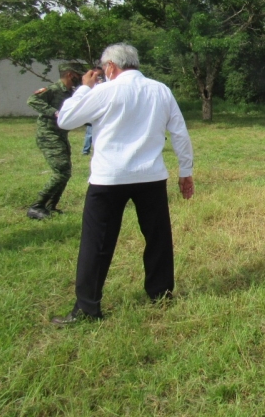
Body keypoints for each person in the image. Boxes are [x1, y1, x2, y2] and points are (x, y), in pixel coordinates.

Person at [52, 43, 194, 325]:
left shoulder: (105, 90)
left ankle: (88, 308)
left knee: (97, 242)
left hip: (110, 177)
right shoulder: (160, 90)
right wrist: (185, 171)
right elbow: (179, 131)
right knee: (158, 238)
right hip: (150, 176)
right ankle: (160, 293)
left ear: (111, 67)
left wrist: (83, 88)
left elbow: (66, 120)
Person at [26, 62, 85, 220]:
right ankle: (37, 206)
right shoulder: (53, 89)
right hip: (48, 135)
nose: (80, 78)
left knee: (66, 172)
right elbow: (32, 100)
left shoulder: (70, 93)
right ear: (70, 75)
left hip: (61, 135)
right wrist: (55, 112)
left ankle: (51, 206)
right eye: (79, 75)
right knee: (61, 171)